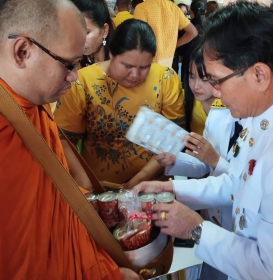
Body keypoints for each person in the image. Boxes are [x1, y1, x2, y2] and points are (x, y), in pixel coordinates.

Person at [134, 2, 273, 279]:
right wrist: (173, 191)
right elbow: (236, 182)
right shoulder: (264, 118)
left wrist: (196, 229)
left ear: (259, 74)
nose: (215, 92)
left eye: (218, 80)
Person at [0, 0, 139, 279]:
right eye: (69, 65)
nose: (75, 77)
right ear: (23, 51)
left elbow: (53, 201)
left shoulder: (35, 104)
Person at [54, 19, 185, 190]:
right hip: (100, 186)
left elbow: (172, 140)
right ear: (111, 55)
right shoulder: (82, 83)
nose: (135, 75)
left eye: (145, 67)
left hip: (154, 185)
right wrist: (85, 184)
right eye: (127, 66)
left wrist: (138, 181)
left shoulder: (165, 78)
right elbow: (64, 140)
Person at [157, 46, 234, 280]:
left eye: (205, 78)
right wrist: (175, 161)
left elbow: (243, 179)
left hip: (237, 221)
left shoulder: (248, 114)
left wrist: (215, 160)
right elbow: (203, 165)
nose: (196, 85)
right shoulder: (217, 114)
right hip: (214, 215)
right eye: (191, 77)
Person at [133, 0, 198, 67]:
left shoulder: (141, 8)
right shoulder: (174, 9)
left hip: (148, 65)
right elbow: (193, 32)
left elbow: (138, 39)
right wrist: (175, 45)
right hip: (167, 66)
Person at [72, 0, 115, 68]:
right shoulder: (75, 62)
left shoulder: (118, 61)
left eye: (87, 33)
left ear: (104, 30)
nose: (79, 40)